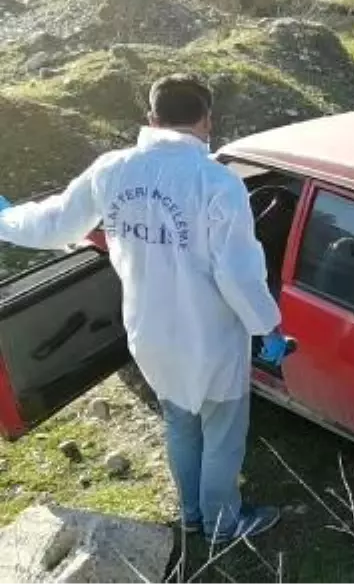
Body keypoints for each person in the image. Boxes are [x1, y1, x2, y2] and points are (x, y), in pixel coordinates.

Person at [0, 74, 288, 542]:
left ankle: (192, 514)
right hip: (209, 337)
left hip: (149, 333)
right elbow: (237, 273)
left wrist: (6, 221)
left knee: (179, 421)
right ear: (208, 120)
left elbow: (52, 224)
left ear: (151, 119)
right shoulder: (217, 183)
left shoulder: (112, 170)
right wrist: (269, 328)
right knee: (221, 434)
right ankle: (223, 524)